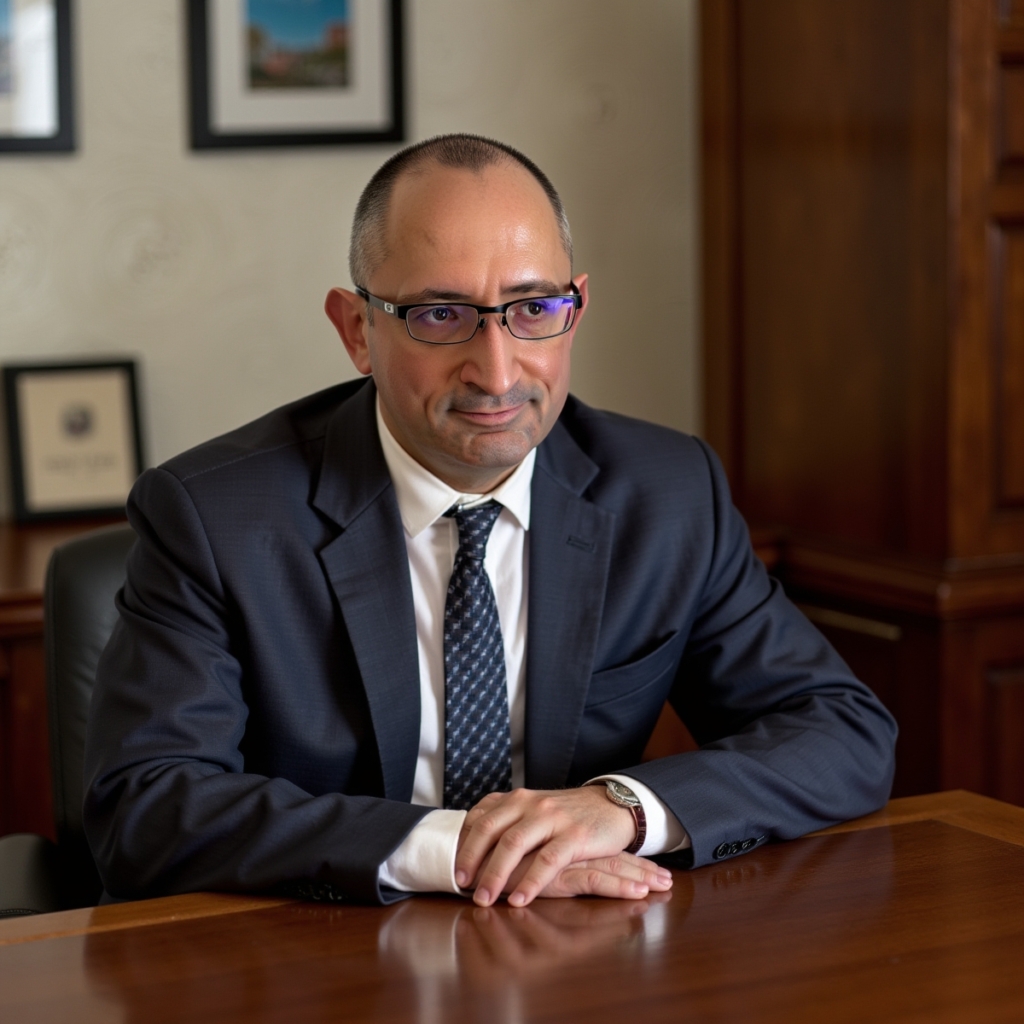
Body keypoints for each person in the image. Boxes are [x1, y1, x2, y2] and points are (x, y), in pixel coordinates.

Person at [84, 134, 897, 908]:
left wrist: (622, 807)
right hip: (314, 957)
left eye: (533, 307)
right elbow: (148, 808)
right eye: (440, 315)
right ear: (357, 330)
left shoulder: (667, 491)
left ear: (575, 307)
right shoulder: (214, 516)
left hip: (582, 953)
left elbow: (842, 732)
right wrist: (459, 849)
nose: (498, 370)